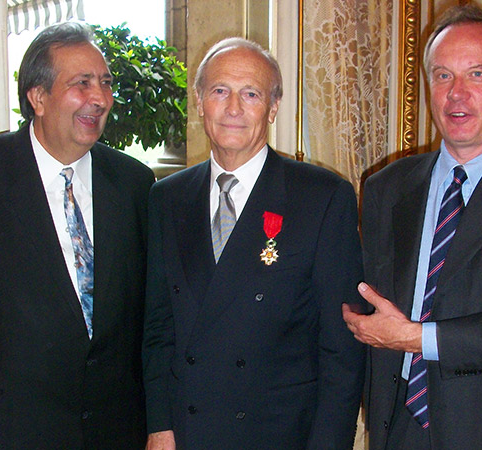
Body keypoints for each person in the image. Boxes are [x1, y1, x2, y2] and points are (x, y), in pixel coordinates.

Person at [343, 4, 482, 450]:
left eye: (477, 74)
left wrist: (413, 338)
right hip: (399, 424)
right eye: (443, 76)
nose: (456, 94)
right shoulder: (386, 186)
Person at [142, 37, 365, 449]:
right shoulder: (166, 197)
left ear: (274, 106)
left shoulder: (321, 197)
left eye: (251, 94)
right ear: (199, 100)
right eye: (219, 91)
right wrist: (159, 426)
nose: (233, 109)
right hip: (187, 433)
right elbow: (158, 327)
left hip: (278, 434)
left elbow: (341, 348)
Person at [0, 22, 154, 449]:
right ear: (38, 97)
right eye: (81, 83)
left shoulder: (135, 184)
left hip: (115, 434)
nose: (100, 98)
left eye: (104, 83)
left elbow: (150, 318)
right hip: (6, 434)